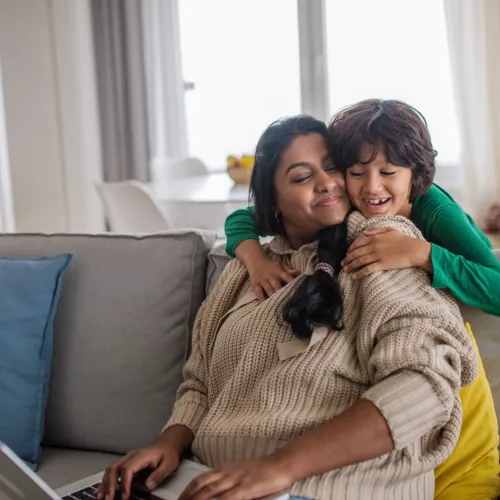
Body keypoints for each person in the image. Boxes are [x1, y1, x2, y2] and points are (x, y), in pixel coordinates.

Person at [98, 115, 478, 500]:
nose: (327, 182)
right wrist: (170, 444)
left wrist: (280, 467)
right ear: (272, 201)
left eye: (332, 167)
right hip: (212, 481)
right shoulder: (242, 273)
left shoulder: (379, 246)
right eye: (301, 177)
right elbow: (200, 385)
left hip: (334, 488)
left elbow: (424, 386)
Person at [225, 100, 500, 317]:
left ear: (414, 174)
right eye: (356, 173)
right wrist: (257, 262)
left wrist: (422, 253)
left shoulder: (433, 209)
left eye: (389, 172)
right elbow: (241, 219)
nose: (372, 188)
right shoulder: (342, 203)